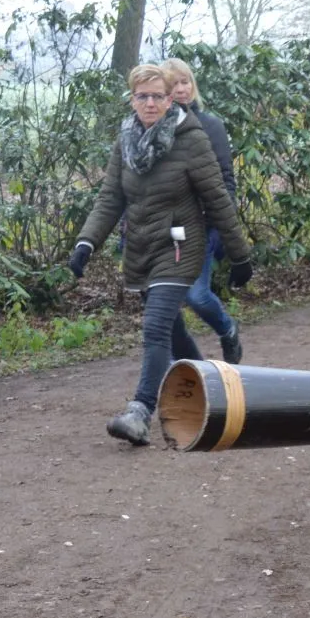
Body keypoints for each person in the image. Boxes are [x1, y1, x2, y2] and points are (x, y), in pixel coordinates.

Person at [68, 64, 254, 445]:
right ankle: (217, 392)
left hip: (181, 248)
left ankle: (140, 411)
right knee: (172, 330)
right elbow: (110, 198)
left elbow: (218, 198)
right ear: (132, 99)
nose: (150, 103)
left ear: (171, 100)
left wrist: (239, 255)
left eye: (157, 96)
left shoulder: (191, 138)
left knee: (155, 327)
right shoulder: (126, 140)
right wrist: (86, 242)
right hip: (141, 249)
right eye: (143, 96)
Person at [160, 57, 243, 365]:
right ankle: (178, 369)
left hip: (202, 227)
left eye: (186, 82)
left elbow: (226, 179)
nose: (182, 89)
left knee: (196, 295)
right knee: (163, 304)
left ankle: (227, 329)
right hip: (165, 229)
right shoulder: (157, 128)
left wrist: (222, 225)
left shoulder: (211, 126)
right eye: (174, 84)